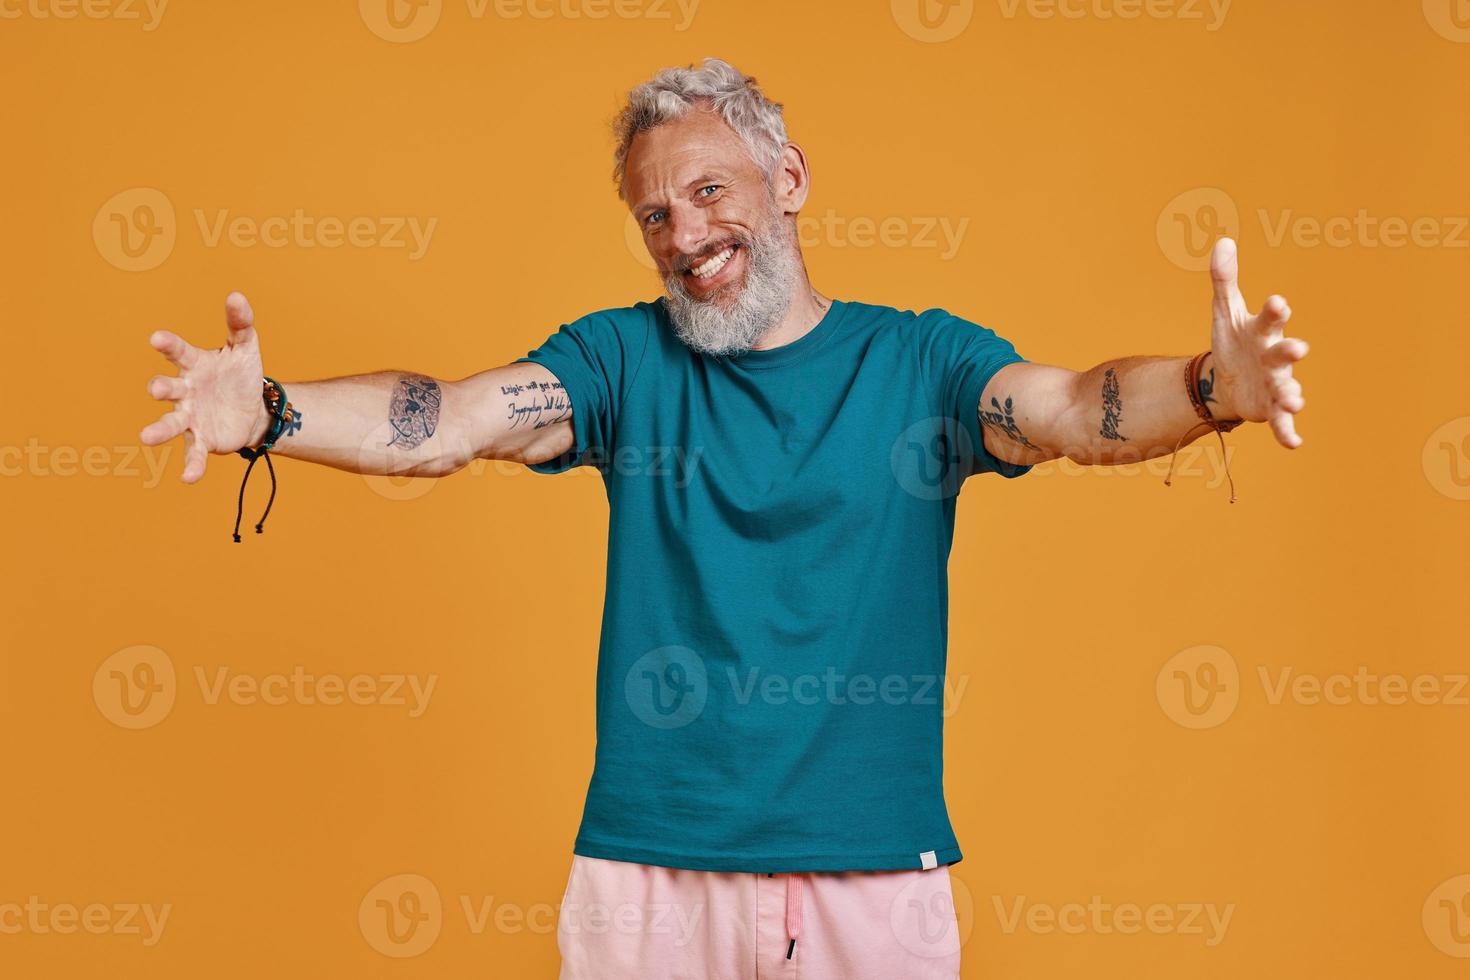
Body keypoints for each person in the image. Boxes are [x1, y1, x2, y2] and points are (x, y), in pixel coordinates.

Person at [139, 58, 1308, 980]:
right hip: (648, 878)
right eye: (652, 213)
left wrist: (1212, 387)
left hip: (873, 880)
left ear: (786, 179)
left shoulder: (920, 361)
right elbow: (445, 419)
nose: (682, 234)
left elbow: (1064, 408)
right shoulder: (615, 360)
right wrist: (272, 411)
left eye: (708, 191)